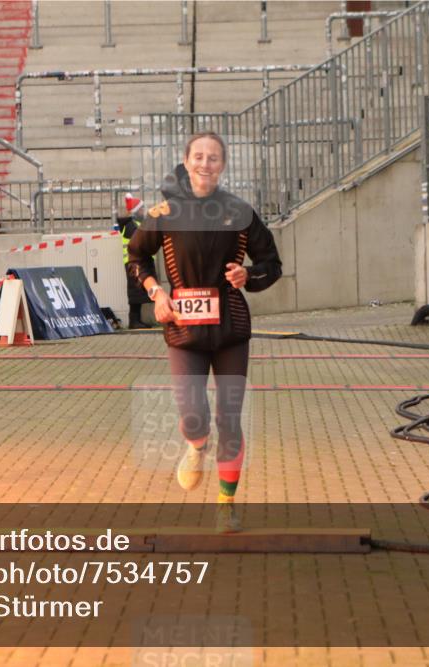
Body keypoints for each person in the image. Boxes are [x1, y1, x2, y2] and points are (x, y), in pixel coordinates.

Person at [127, 132, 282, 533]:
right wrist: (155, 292)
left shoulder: (240, 212)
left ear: (223, 165)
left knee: (229, 418)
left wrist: (249, 274)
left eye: (213, 158)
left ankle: (225, 504)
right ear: (187, 160)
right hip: (183, 329)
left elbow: (272, 262)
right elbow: (136, 254)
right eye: (199, 156)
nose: (205, 164)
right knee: (193, 414)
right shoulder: (164, 212)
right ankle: (196, 445)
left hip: (231, 330)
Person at [117, 193, 150, 329]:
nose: (144, 211)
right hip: (133, 262)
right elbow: (140, 242)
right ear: (136, 210)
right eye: (141, 209)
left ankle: (137, 320)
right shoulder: (131, 225)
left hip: (136, 261)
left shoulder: (135, 223)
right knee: (135, 291)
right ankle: (134, 321)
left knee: (138, 291)